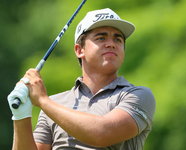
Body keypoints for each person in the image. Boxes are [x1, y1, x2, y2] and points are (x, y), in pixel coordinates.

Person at [7, 8, 156, 150]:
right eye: (101, 38)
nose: (111, 43)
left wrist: (43, 101)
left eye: (118, 39)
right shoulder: (54, 104)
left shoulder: (138, 95)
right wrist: (21, 117)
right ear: (79, 50)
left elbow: (102, 134)